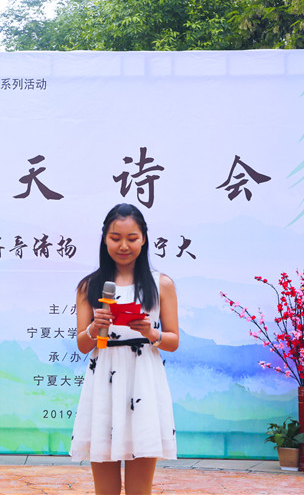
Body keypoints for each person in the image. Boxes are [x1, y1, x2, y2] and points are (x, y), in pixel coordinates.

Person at [69, 203, 179, 495]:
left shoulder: (161, 284)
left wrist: (151, 332)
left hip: (143, 380)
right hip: (104, 380)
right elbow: (82, 345)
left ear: (144, 239)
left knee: (139, 490)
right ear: (105, 239)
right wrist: (94, 328)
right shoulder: (89, 286)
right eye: (115, 238)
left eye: (132, 238)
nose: (124, 246)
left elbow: (173, 341)